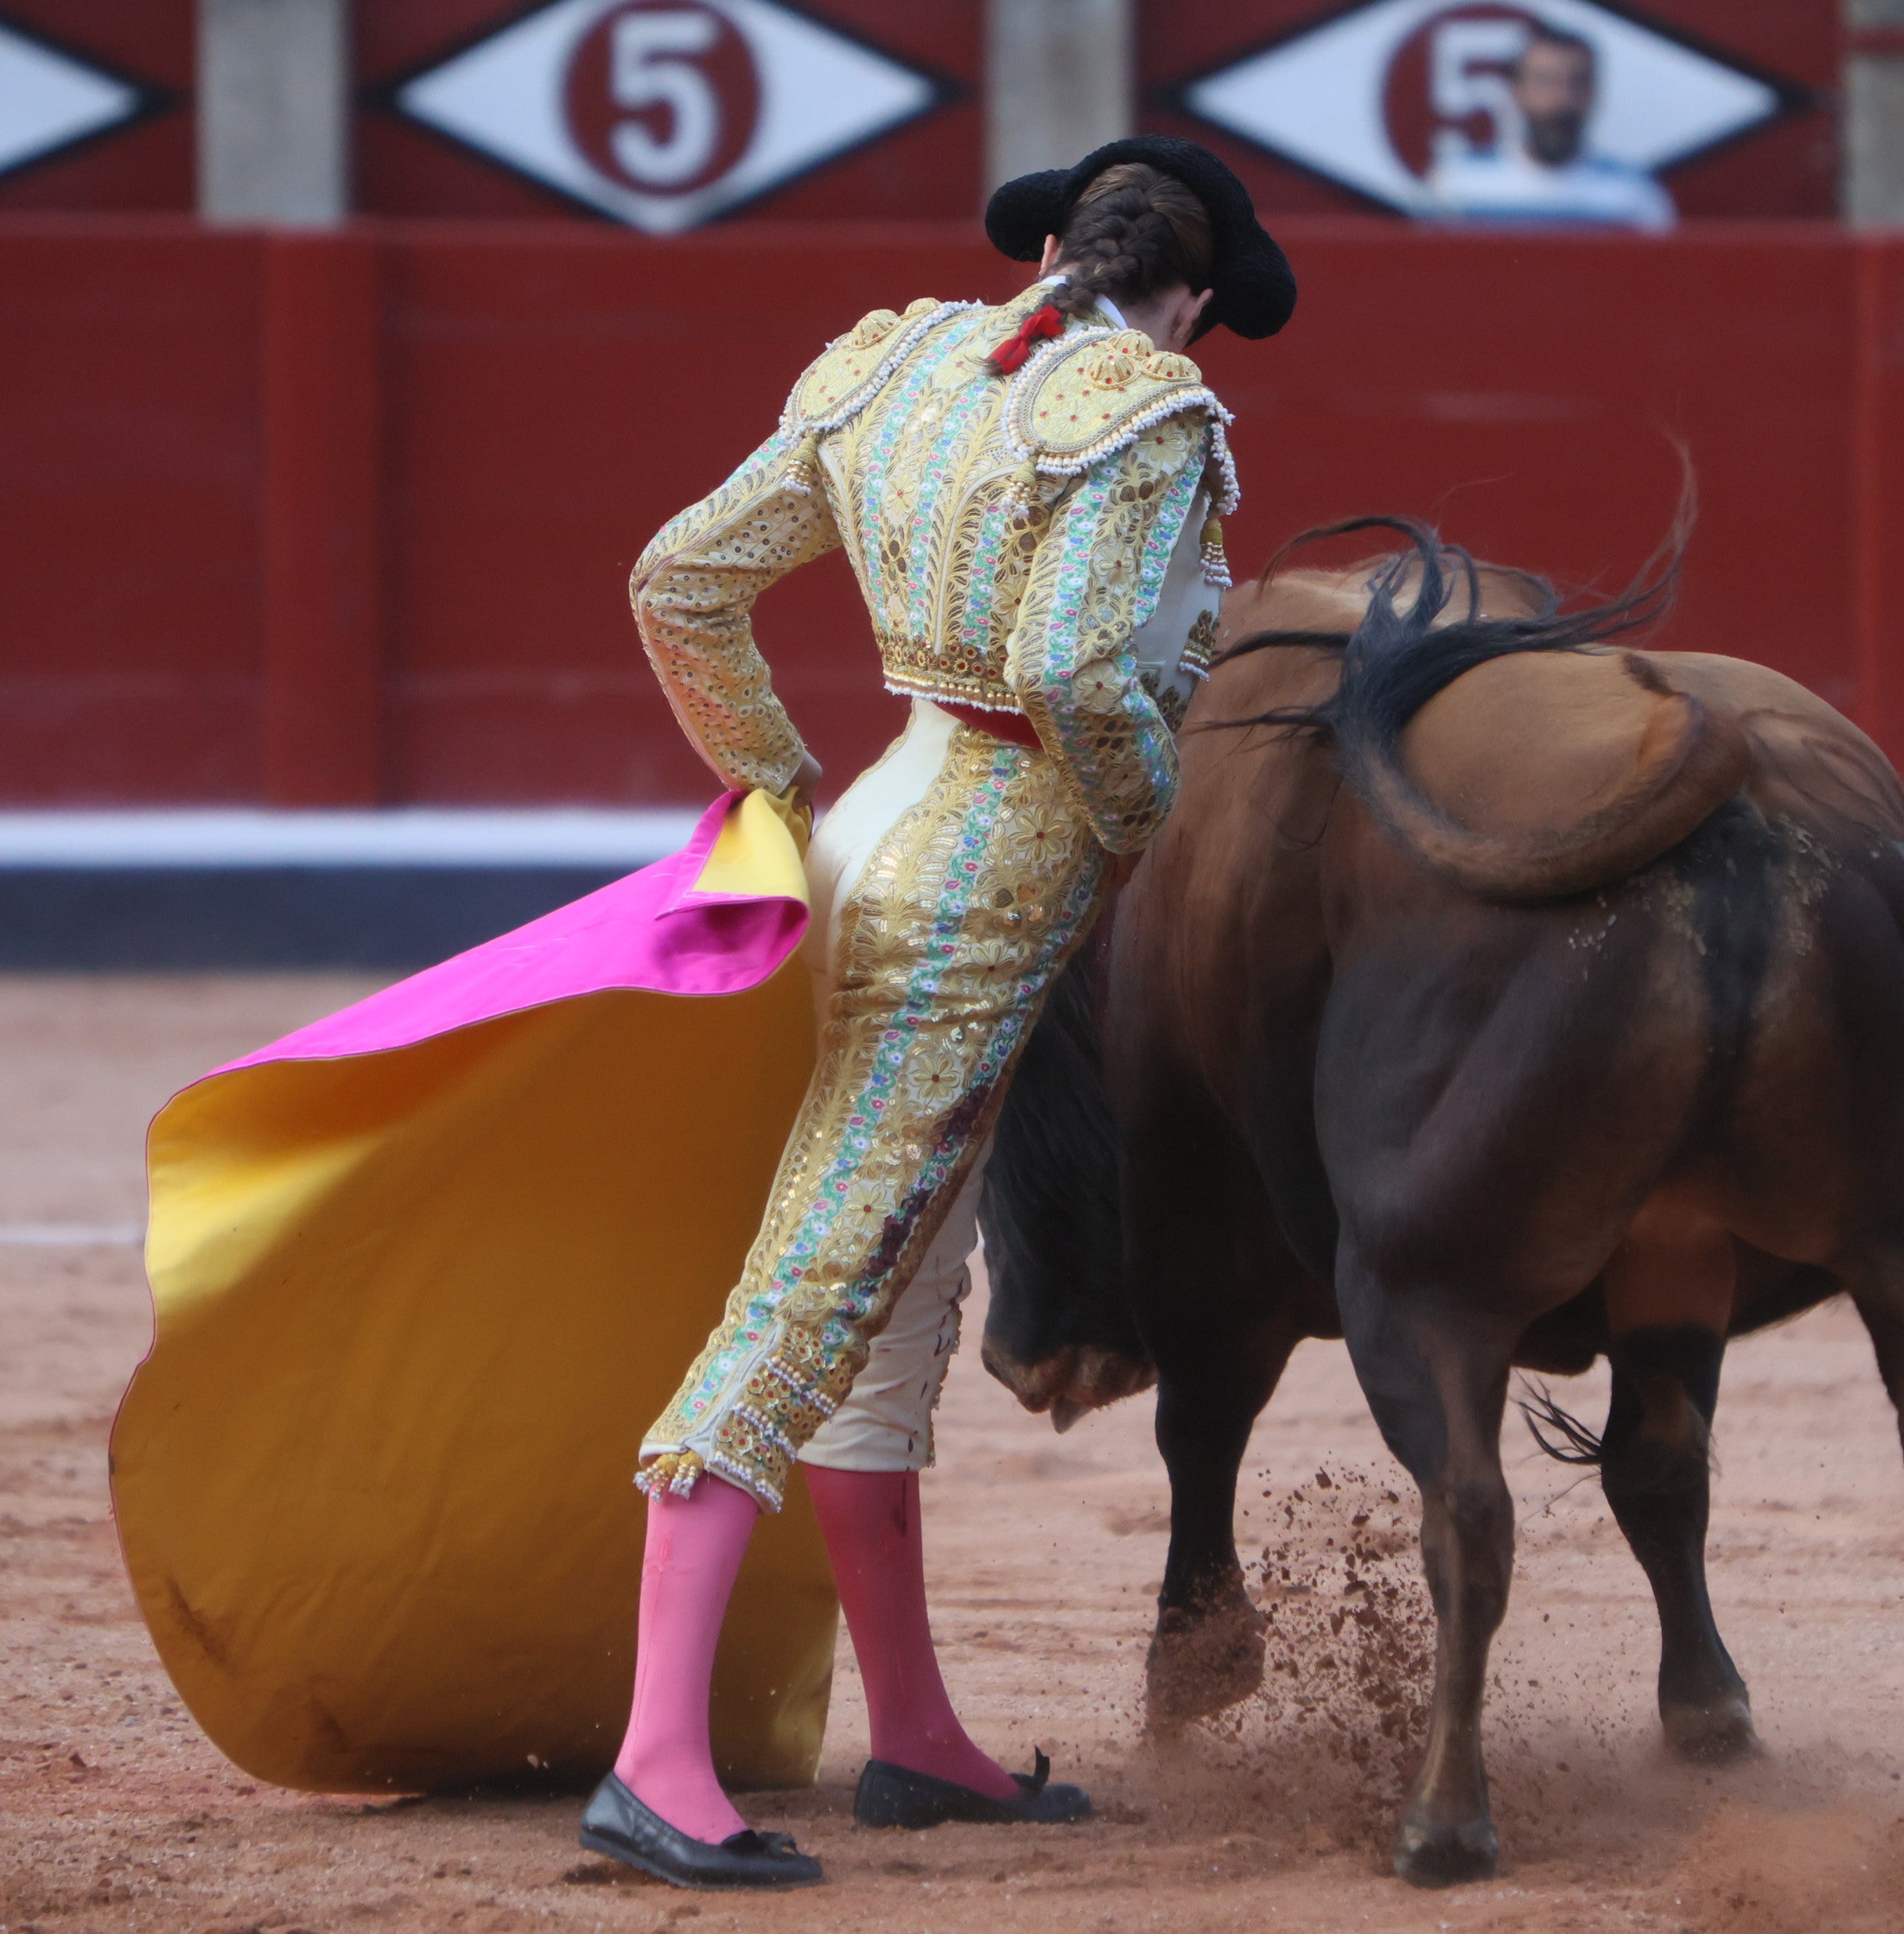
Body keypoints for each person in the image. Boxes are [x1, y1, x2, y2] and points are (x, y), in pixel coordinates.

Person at [574, 136, 1296, 1890]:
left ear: (1050, 250)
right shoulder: (1147, 411)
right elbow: (1067, 671)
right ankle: (655, 1759)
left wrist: (780, 792)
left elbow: (680, 581)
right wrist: (1143, 826)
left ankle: (912, 1730)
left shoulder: (893, 360)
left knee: (895, 1300)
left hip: (871, 826)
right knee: (821, 1282)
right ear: (1193, 301)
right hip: (973, 892)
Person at [1428, 24, 1675, 232]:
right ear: (1518, 92)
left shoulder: (1632, 195)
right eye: (1545, 82)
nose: (1561, 99)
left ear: (1593, 92)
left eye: (1576, 82)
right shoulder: (1459, 184)